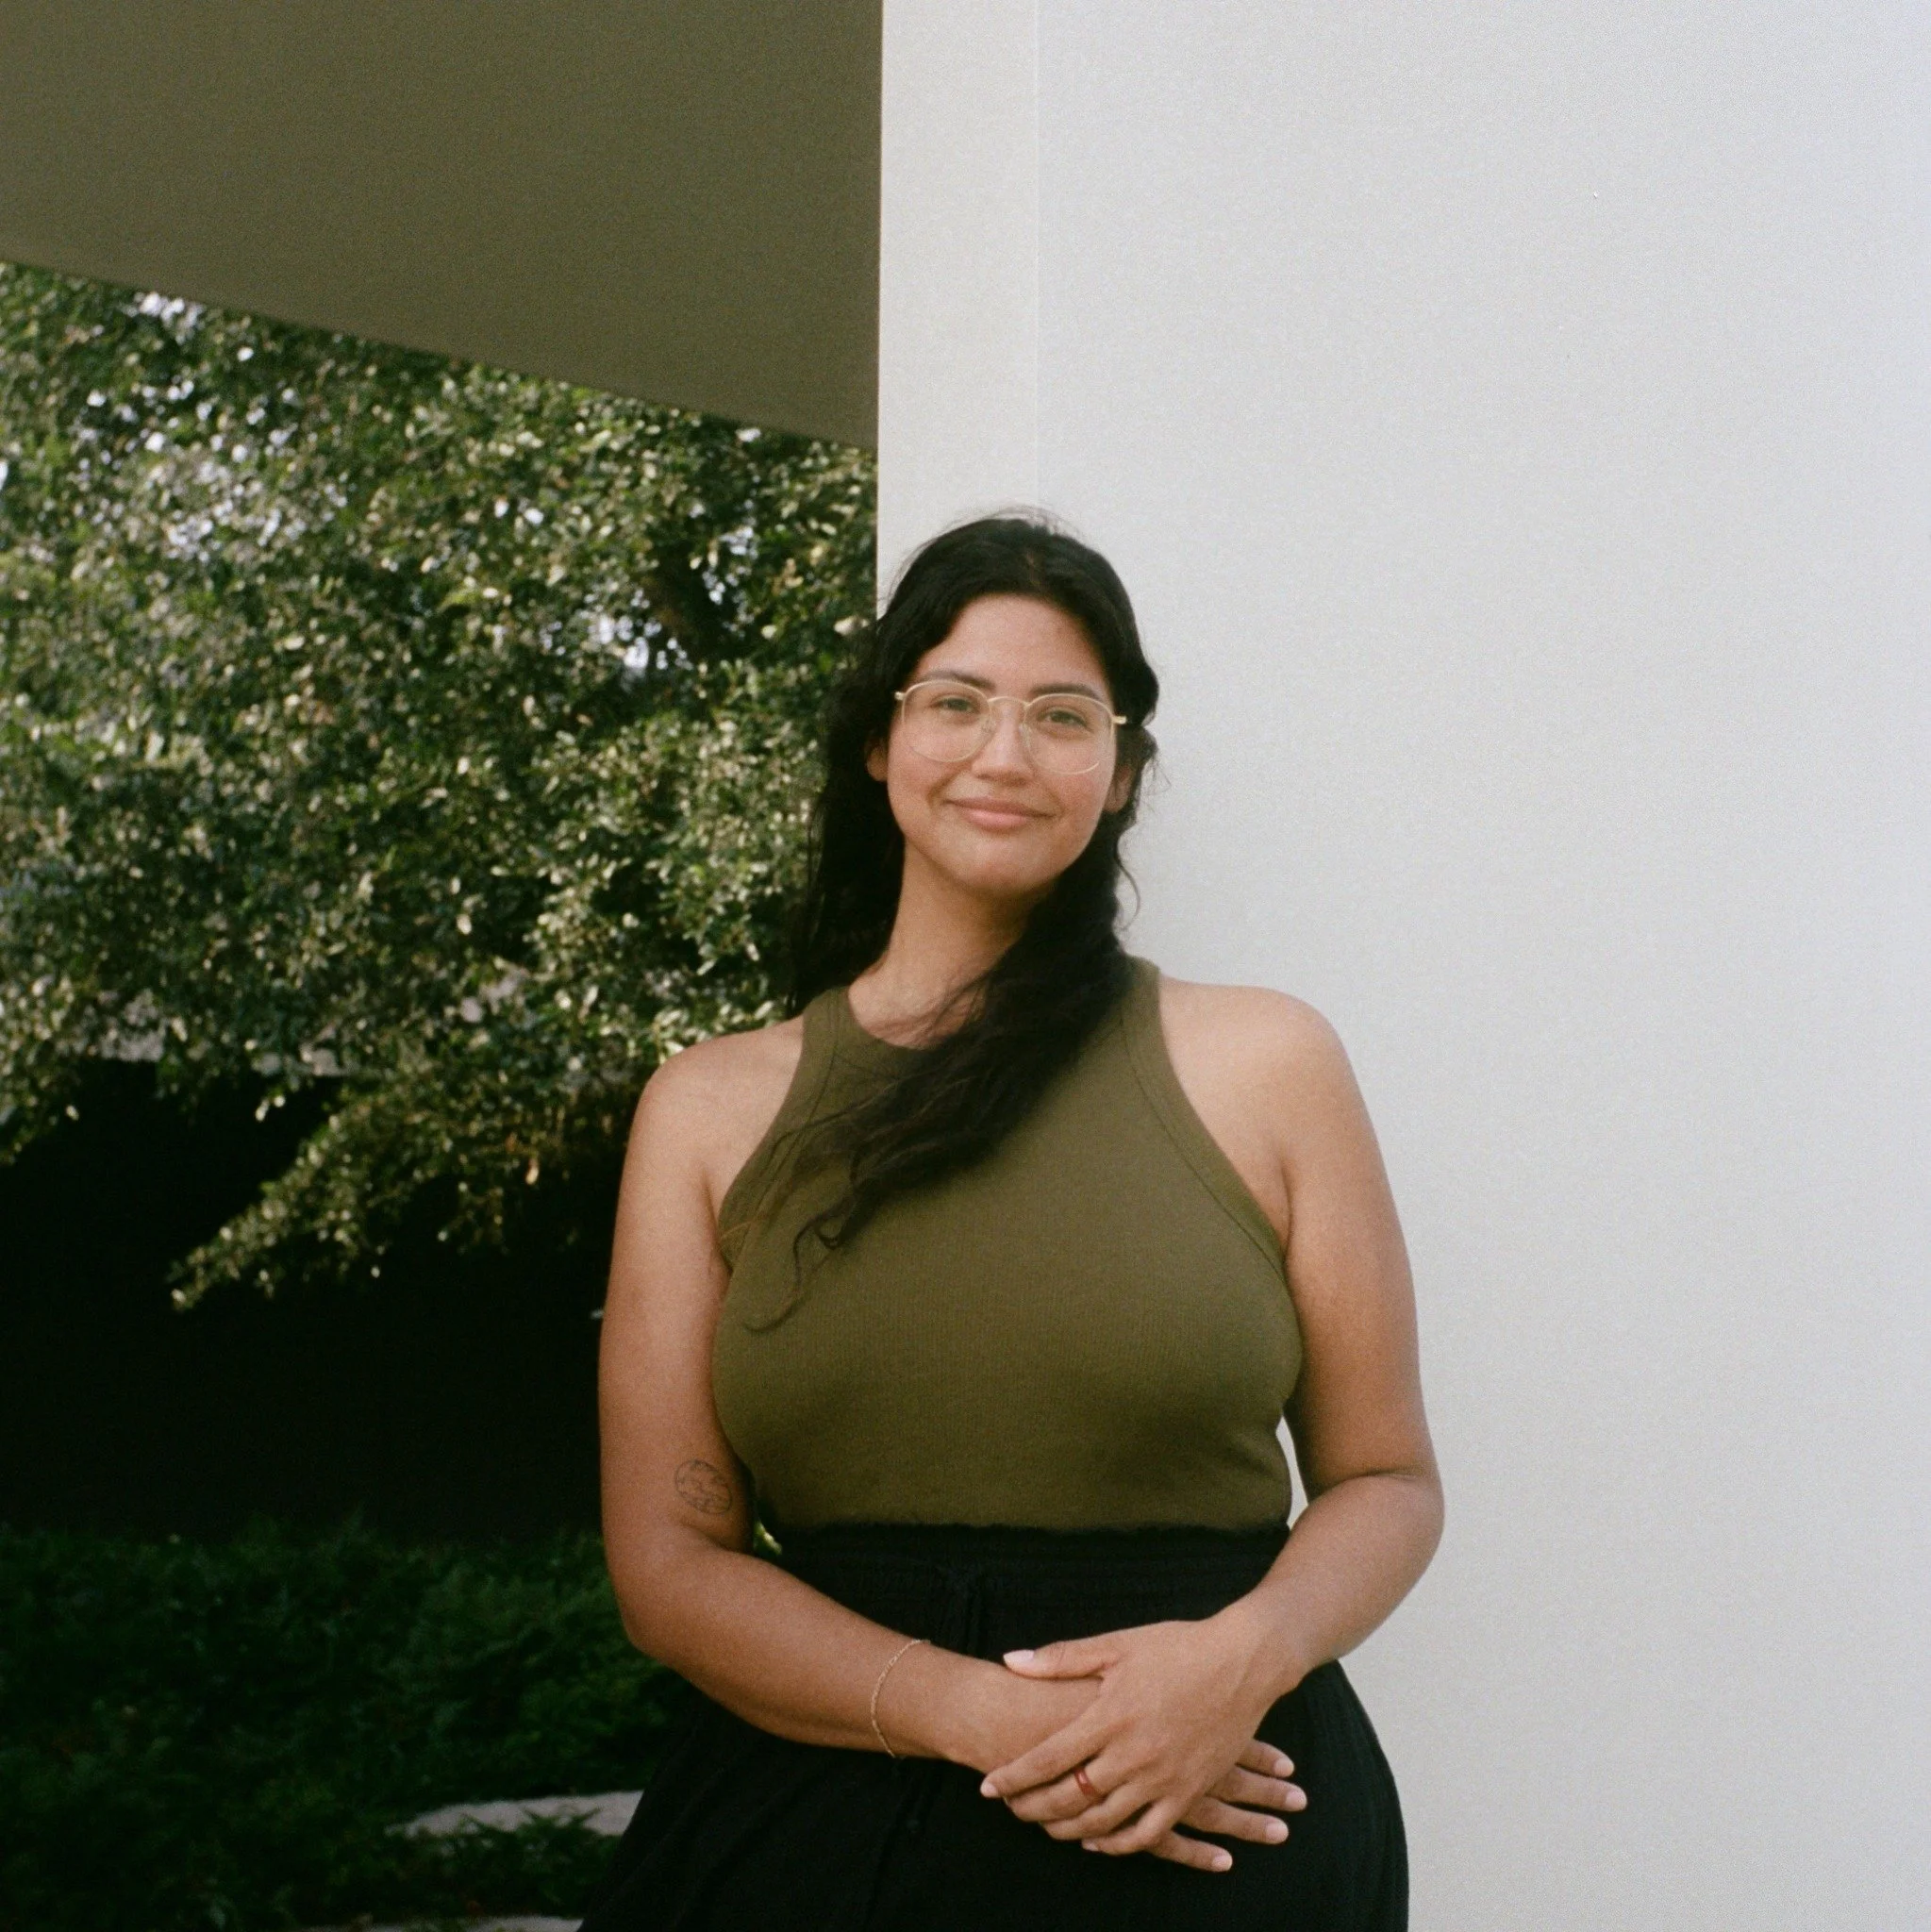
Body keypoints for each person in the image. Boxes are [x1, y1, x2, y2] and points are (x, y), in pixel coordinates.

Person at [582, 516, 1442, 1930]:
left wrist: (1239, 1663)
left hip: (1213, 1806)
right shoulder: (709, 1108)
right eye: (956, 704)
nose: (1004, 753)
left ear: (1117, 775)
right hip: (812, 1819)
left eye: (1061, 716)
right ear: (878, 742)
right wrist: (980, 1716)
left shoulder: (1268, 1063)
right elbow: (669, 1572)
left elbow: (1386, 1480)